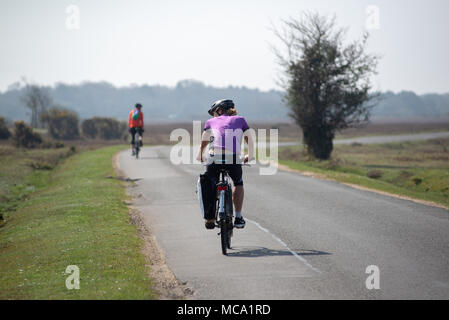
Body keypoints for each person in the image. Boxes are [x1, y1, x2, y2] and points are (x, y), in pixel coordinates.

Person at [197, 99, 253, 230]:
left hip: (214, 157)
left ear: (220, 110)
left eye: (214, 113)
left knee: (209, 183)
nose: (214, 116)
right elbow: (248, 138)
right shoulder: (240, 119)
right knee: (238, 183)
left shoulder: (210, 122)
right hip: (232, 158)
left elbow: (205, 139)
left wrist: (200, 154)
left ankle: (210, 217)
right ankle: (238, 217)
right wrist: (249, 155)